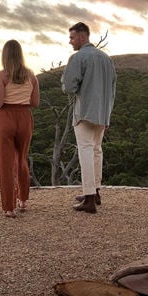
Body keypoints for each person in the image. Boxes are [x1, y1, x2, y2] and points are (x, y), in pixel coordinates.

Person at [0, 40, 40, 218]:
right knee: (21, 159)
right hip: (24, 117)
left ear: (4, 55)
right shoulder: (31, 76)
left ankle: (9, 208)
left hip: (5, 117)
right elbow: (35, 103)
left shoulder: (1, 75)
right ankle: (23, 200)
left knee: (5, 164)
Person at [61, 22, 115, 213]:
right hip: (102, 112)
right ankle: (95, 192)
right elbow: (112, 88)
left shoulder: (78, 57)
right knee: (96, 151)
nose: (70, 42)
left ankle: (89, 198)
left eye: (72, 37)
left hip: (84, 112)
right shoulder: (107, 59)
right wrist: (107, 113)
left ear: (82, 37)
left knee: (85, 152)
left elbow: (68, 87)